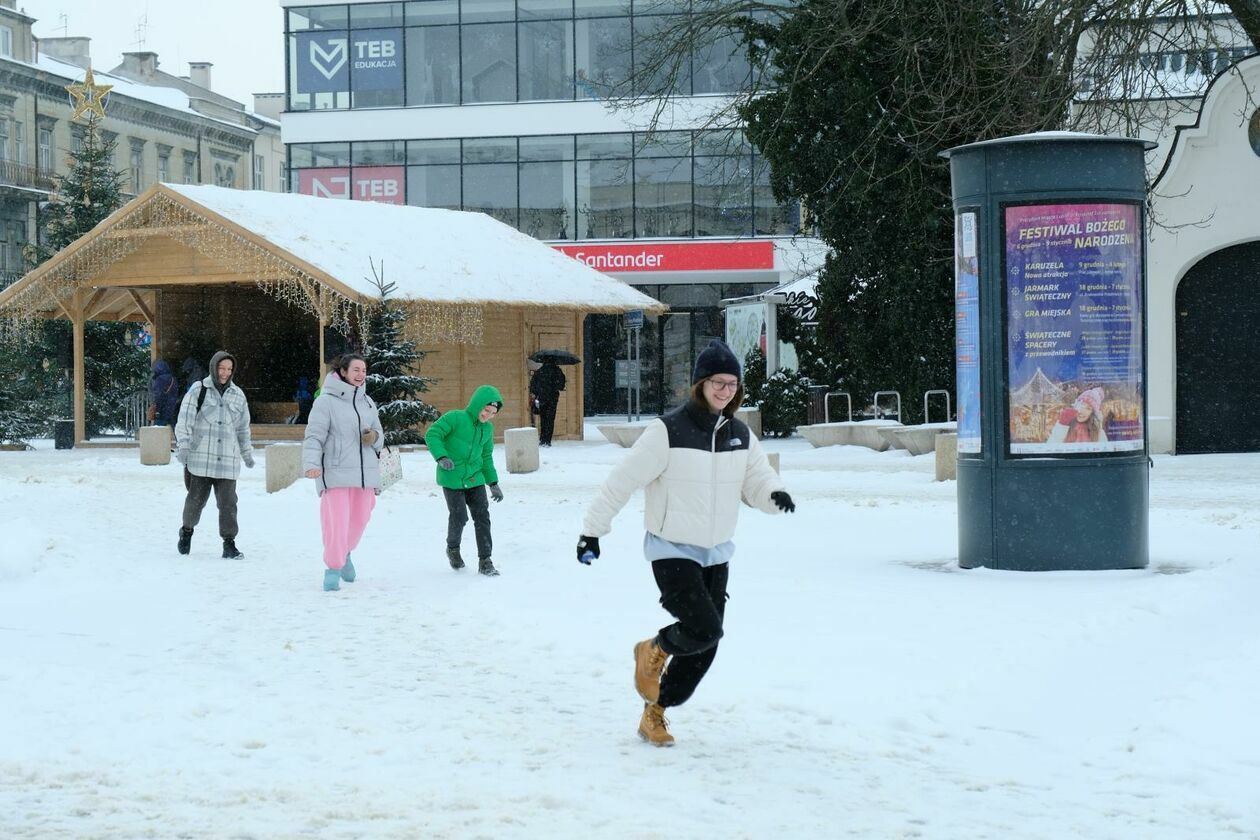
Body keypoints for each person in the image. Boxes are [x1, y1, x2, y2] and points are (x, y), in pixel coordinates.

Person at [576, 339, 796, 747]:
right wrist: (592, 531)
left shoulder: (739, 435)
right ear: (700, 383)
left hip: (715, 551)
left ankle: (654, 712)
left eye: (732, 383)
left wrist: (774, 495)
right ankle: (653, 648)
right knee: (703, 627)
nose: (726, 390)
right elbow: (622, 480)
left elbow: (759, 480)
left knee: (706, 645)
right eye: (718, 381)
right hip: (671, 548)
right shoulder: (668, 431)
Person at [302, 353, 385, 592]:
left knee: (360, 519)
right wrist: (311, 464)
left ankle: (345, 552)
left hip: (365, 474)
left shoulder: (368, 402)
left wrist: (375, 437)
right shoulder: (325, 402)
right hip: (336, 471)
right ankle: (333, 567)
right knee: (336, 523)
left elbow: (380, 434)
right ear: (343, 372)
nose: (361, 374)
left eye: (364, 370)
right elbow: (314, 436)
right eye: (356, 370)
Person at [175, 351, 255, 559]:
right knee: (195, 502)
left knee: (228, 504)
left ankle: (229, 543)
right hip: (201, 457)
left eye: (229, 369)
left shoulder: (238, 395)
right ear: (214, 367)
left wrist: (246, 452)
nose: (225, 373)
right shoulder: (198, 389)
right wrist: (183, 444)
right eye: (222, 368)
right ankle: (187, 530)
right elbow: (185, 419)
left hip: (228, 460)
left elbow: (243, 428)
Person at [425, 385, 505, 576]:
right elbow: (433, 434)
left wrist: (493, 483)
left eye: (493, 413)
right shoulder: (455, 418)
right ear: (477, 404)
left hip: (475, 478)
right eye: (486, 410)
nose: (488, 415)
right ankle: (453, 549)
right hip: (452, 477)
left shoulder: (487, 429)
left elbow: (486, 457)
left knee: (482, 517)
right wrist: (441, 456)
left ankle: (485, 560)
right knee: (459, 516)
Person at [529, 359, 566, 446]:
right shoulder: (558, 371)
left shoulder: (540, 371)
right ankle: (547, 440)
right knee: (550, 419)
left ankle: (542, 439)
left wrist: (538, 392)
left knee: (543, 419)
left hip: (542, 398)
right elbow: (561, 385)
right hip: (552, 398)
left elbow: (533, 385)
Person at [150, 360, 180, 426]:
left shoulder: (160, 379)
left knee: (159, 431)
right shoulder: (173, 378)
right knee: (171, 431)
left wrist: (157, 410)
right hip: (173, 409)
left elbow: (158, 396)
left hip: (163, 410)